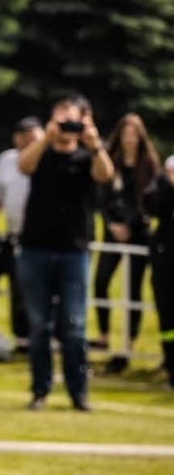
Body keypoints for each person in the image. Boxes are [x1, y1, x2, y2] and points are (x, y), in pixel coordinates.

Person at [16, 96, 115, 410]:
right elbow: (23, 165)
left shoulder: (88, 157)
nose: (67, 127)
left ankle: (79, 392)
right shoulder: (40, 154)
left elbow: (106, 175)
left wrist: (94, 142)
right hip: (35, 249)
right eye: (62, 120)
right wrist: (45, 136)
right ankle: (40, 391)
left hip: (74, 252)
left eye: (73, 120)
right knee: (38, 326)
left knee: (74, 327)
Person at [94, 114, 160, 373]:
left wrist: (131, 225)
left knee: (133, 290)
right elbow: (101, 196)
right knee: (100, 282)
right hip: (113, 231)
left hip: (139, 233)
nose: (129, 138)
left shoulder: (148, 164)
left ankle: (128, 344)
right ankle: (104, 336)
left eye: (134, 133)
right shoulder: (111, 162)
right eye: (125, 133)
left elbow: (151, 200)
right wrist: (112, 223)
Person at [0, 117, 44, 347]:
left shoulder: (48, 158)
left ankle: (43, 335)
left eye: (32, 136)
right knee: (18, 286)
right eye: (23, 136)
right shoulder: (6, 160)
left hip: (42, 236)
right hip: (14, 234)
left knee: (42, 289)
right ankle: (22, 337)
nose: (27, 141)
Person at [153, 156, 174, 387]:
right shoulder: (160, 189)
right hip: (165, 264)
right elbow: (154, 207)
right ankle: (170, 366)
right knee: (167, 321)